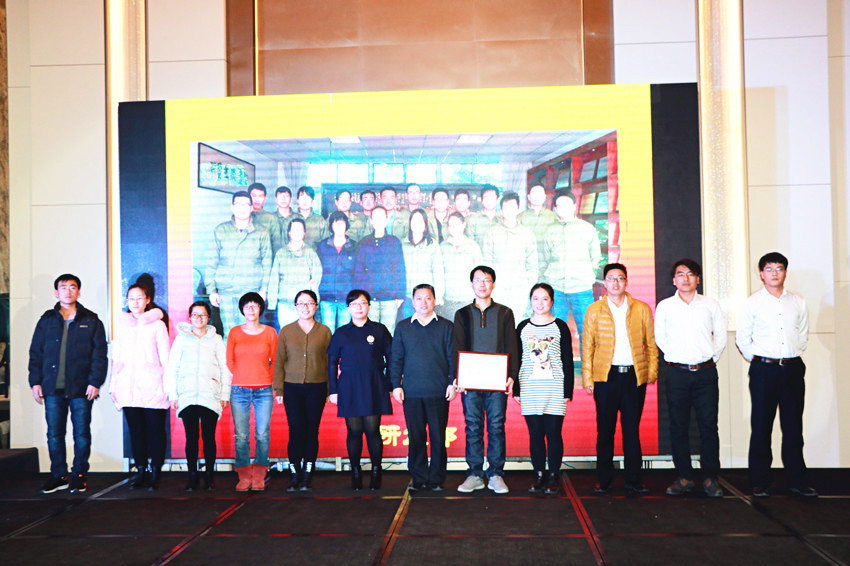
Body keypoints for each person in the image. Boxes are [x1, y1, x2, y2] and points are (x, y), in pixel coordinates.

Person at [735, 252, 817, 497]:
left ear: (785, 272)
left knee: (793, 427)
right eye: (769, 269)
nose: (774, 273)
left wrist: (791, 355)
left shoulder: (798, 301)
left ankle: (797, 482)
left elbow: (803, 334)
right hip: (764, 370)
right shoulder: (752, 302)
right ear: (761, 274)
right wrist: (760, 360)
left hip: (792, 369)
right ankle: (760, 481)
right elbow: (743, 338)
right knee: (761, 426)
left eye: (779, 268)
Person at [583, 263, 658, 495]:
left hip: (633, 378)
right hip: (606, 377)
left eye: (620, 278)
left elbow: (651, 344)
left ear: (626, 281)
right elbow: (588, 347)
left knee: (631, 430)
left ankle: (634, 479)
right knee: (605, 430)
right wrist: (588, 378)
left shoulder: (641, 308)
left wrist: (651, 373)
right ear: (604, 283)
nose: (615, 283)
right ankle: (604, 479)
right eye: (611, 278)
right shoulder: (594, 310)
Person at [655, 259, 727, 498]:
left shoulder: (710, 305)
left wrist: (709, 359)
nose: (685, 278)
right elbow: (660, 338)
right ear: (674, 280)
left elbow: (721, 337)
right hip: (677, 374)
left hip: (706, 373)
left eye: (690, 274)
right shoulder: (665, 306)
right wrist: (677, 358)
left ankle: (710, 478)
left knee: (709, 426)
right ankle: (684, 477)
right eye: (680, 274)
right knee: (678, 426)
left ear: (698, 279)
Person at [29, 274, 107, 494]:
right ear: (56, 292)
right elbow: (36, 353)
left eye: (73, 287)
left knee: (81, 434)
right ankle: (59, 475)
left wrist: (95, 382)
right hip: (52, 387)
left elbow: (99, 355)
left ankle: (79, 474)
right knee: (54, 434)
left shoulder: (91, 320)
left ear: (78, 292)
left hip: (81, 388)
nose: (68, 291)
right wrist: (35, 382)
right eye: (63, 287)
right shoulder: (46, 320)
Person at [453, 266, 518, 494]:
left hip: (497, 381)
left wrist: (511, 375)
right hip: (470, 382)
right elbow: (457, 347)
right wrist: (458, 376)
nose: (482, 284)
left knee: (496, 426)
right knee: (473, 426)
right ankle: (474, 474)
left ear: (493, 284)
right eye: (478, 280)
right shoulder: (462, 314)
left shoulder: (505, 313)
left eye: (487, 280)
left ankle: (496, 474)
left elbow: (512, 345)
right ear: (471, 284)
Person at [390, 284, 456, 492]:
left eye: (428, 298)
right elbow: (396, 358)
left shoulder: (446, 326)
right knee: (416, 437)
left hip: (439, 391)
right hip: (411, 392)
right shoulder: (403, 327)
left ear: (434, 300)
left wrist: (452, 382)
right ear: (412, 301)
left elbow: (452, 357)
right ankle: (418, 478)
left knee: (438, 437)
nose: (423, 302)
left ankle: (436, 479)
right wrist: (396, 385)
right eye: (419, 298)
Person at [327, 290, 393, 490]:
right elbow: (331, 363)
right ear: (348, 308)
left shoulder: (379, 330)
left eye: (363, 303)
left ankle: (376, 471)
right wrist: (333, 390)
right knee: (354, 431)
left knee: (373, 430)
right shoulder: (341, 333)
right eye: (354, 304)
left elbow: (392, 358)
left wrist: (389, 385)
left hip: (374, 383)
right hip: (349, 385)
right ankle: (355, 471)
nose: (359, 307)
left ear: (369, 306)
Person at [109, 284, 171, 490]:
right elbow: (116, 358)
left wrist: (168, 386)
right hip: (127, 386)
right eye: (131, 298)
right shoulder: (122, 325)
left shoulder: (158, 325)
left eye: (139, 298)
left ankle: (156, 471)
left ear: (147, 300)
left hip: (153, 385)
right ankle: (141, 470)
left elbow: (166, 358)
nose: (135, 302)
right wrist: (113, 385)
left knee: (155, 431)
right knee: (136, 431)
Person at [514, 283, 573, 494]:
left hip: (554, 388)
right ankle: (538, 475)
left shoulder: (560, 326)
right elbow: (517, 359)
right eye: (536, 298)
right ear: (530, 301)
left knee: (554, 434)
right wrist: (517, 389)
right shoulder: (522, 327)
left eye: (545, 299)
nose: (540, 303)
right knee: (535, 435)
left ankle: (554, 476)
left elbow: (567, 359)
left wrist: (567, 391)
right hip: (529, 388)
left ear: (552, 301)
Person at [166, 301, 231, 492]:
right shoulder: (181, 339)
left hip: (210, 394)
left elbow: (225, 368)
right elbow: (172, 368)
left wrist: (224, 394)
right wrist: (173, 394)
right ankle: (192, 476)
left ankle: (209, 476)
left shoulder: (216, 339)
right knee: (191, 438)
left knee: (209, 437)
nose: (198, 318)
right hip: (187, 395)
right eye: (195, 314)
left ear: (208, 318)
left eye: (203, 315)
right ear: (189, 317)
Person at [273, 290, 332, 492]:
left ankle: (308, 473)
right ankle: (294, 472)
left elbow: (329, 362)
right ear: (295, 306)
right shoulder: (286, 331)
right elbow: (279, 361)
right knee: (296, 429)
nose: (305, 307)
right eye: (301, 303)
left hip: (317, 387)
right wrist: (279, 389)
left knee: (312, 430)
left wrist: (330, 389)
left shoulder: (324, 331)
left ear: (316, 306)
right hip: (292, 388)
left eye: (310, 303)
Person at [227, 292, 277, 492]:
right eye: (247, 306)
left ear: (260, 309)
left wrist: (266, 378)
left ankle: (259, 475)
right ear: (242, 310)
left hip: (264, 390)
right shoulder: (234, 332)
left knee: (262, 434)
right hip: (239, 390)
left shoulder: (270, 333)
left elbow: (276, 360)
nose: (251, 309)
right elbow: (230, 361)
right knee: (241, 435)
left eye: (255, 305)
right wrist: (242, 376)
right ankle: (244, 476)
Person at [205, 190, 272, 337]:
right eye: (238, 204)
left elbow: (267, 263)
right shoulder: (221, 230)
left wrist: (263, 290)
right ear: (232, 207)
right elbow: (211, 261)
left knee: (250, 332)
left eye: (246, 204)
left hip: (251, 290)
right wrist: (211, 290)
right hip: (226, 291)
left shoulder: (261, 232)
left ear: (251, 208)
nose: (242, 208)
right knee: (230, 334)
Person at [543, 190, 601, 348]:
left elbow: (595, 256)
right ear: (555, 208)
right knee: (555, 333)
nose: (563, 208)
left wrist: (584, 274)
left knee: (587, 332)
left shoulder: (587, 229)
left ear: (575, 206)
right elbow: (546, 257)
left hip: (581, 288)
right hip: (556, 289)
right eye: (559, 205)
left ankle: (586, 364)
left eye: (567, 204)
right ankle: (559, 363)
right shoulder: (550, 230)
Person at [483, 192, 538, 319]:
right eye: (506, 207)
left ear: (518, 210)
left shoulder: (527, 234)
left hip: (519, 291)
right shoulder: (492, 232)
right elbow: (486, 263)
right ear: (501, 211)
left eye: (513, 207)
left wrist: (527, 287)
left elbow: (532, 265)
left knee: (517, 323)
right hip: (498, 290)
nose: (509, 211)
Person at [353, 206, 406, 333]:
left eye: (382, 217)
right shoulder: (364, 243)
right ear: (371, 221)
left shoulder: (394, 242)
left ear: (387, 220)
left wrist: (400, 295)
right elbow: (358, 271)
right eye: (375, 217)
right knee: (370, 333)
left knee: (388, 333)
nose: (378, 220)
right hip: (369, 298)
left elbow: (400, 269)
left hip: (390, 298)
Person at [266, 217, 322, 328]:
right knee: (287, 334)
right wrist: (272, 303)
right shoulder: (281, 253)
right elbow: (274, 279)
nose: (297, 232)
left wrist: (314, 297)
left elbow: (317, 275)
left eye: (300, 229)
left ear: (304, 233)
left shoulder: (310, 253)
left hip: (304, 305)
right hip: (285, 303)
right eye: (294, 229)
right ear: (289, 232)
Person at [400, 209, 445, 318]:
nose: (417, 224)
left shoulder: (432, 244)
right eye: (414, 220)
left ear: (425, 225)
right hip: (408, 297)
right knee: (409, 326)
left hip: (426, 297)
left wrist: (438, 295)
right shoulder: (402, 244)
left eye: (420, 221)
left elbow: (438, 271)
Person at [438, 212, 482, 321]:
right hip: (448, 300)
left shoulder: (473, 247)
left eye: (457, 224)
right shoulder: (443, 247)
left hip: (468, 299)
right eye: (451, 225)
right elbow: (439, 273)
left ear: (463, 225)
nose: (454, 228)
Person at [316, 211, 357, 332]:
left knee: (345, 334)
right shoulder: (323, 246)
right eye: (335, 223)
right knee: (328, 333)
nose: (339, 226)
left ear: (346, 225)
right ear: (331, 226)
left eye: (342, 223)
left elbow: (358, 272)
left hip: (347, 297)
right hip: (327, 296)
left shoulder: (354, 246)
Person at [519, 184, 558, 280]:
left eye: (540, 193)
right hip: (526, 266)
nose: (536, 196)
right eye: (534, 193)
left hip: (547, 267)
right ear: (529, 197)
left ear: (545, 197)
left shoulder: (553, 217)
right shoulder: (520, 217)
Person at [270, 185, 296, 253]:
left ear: (290, 199)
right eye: (280, 196)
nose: (283, 199)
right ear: (276, 199)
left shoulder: (298, 218)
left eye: (286, 196)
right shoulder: (270, 218)